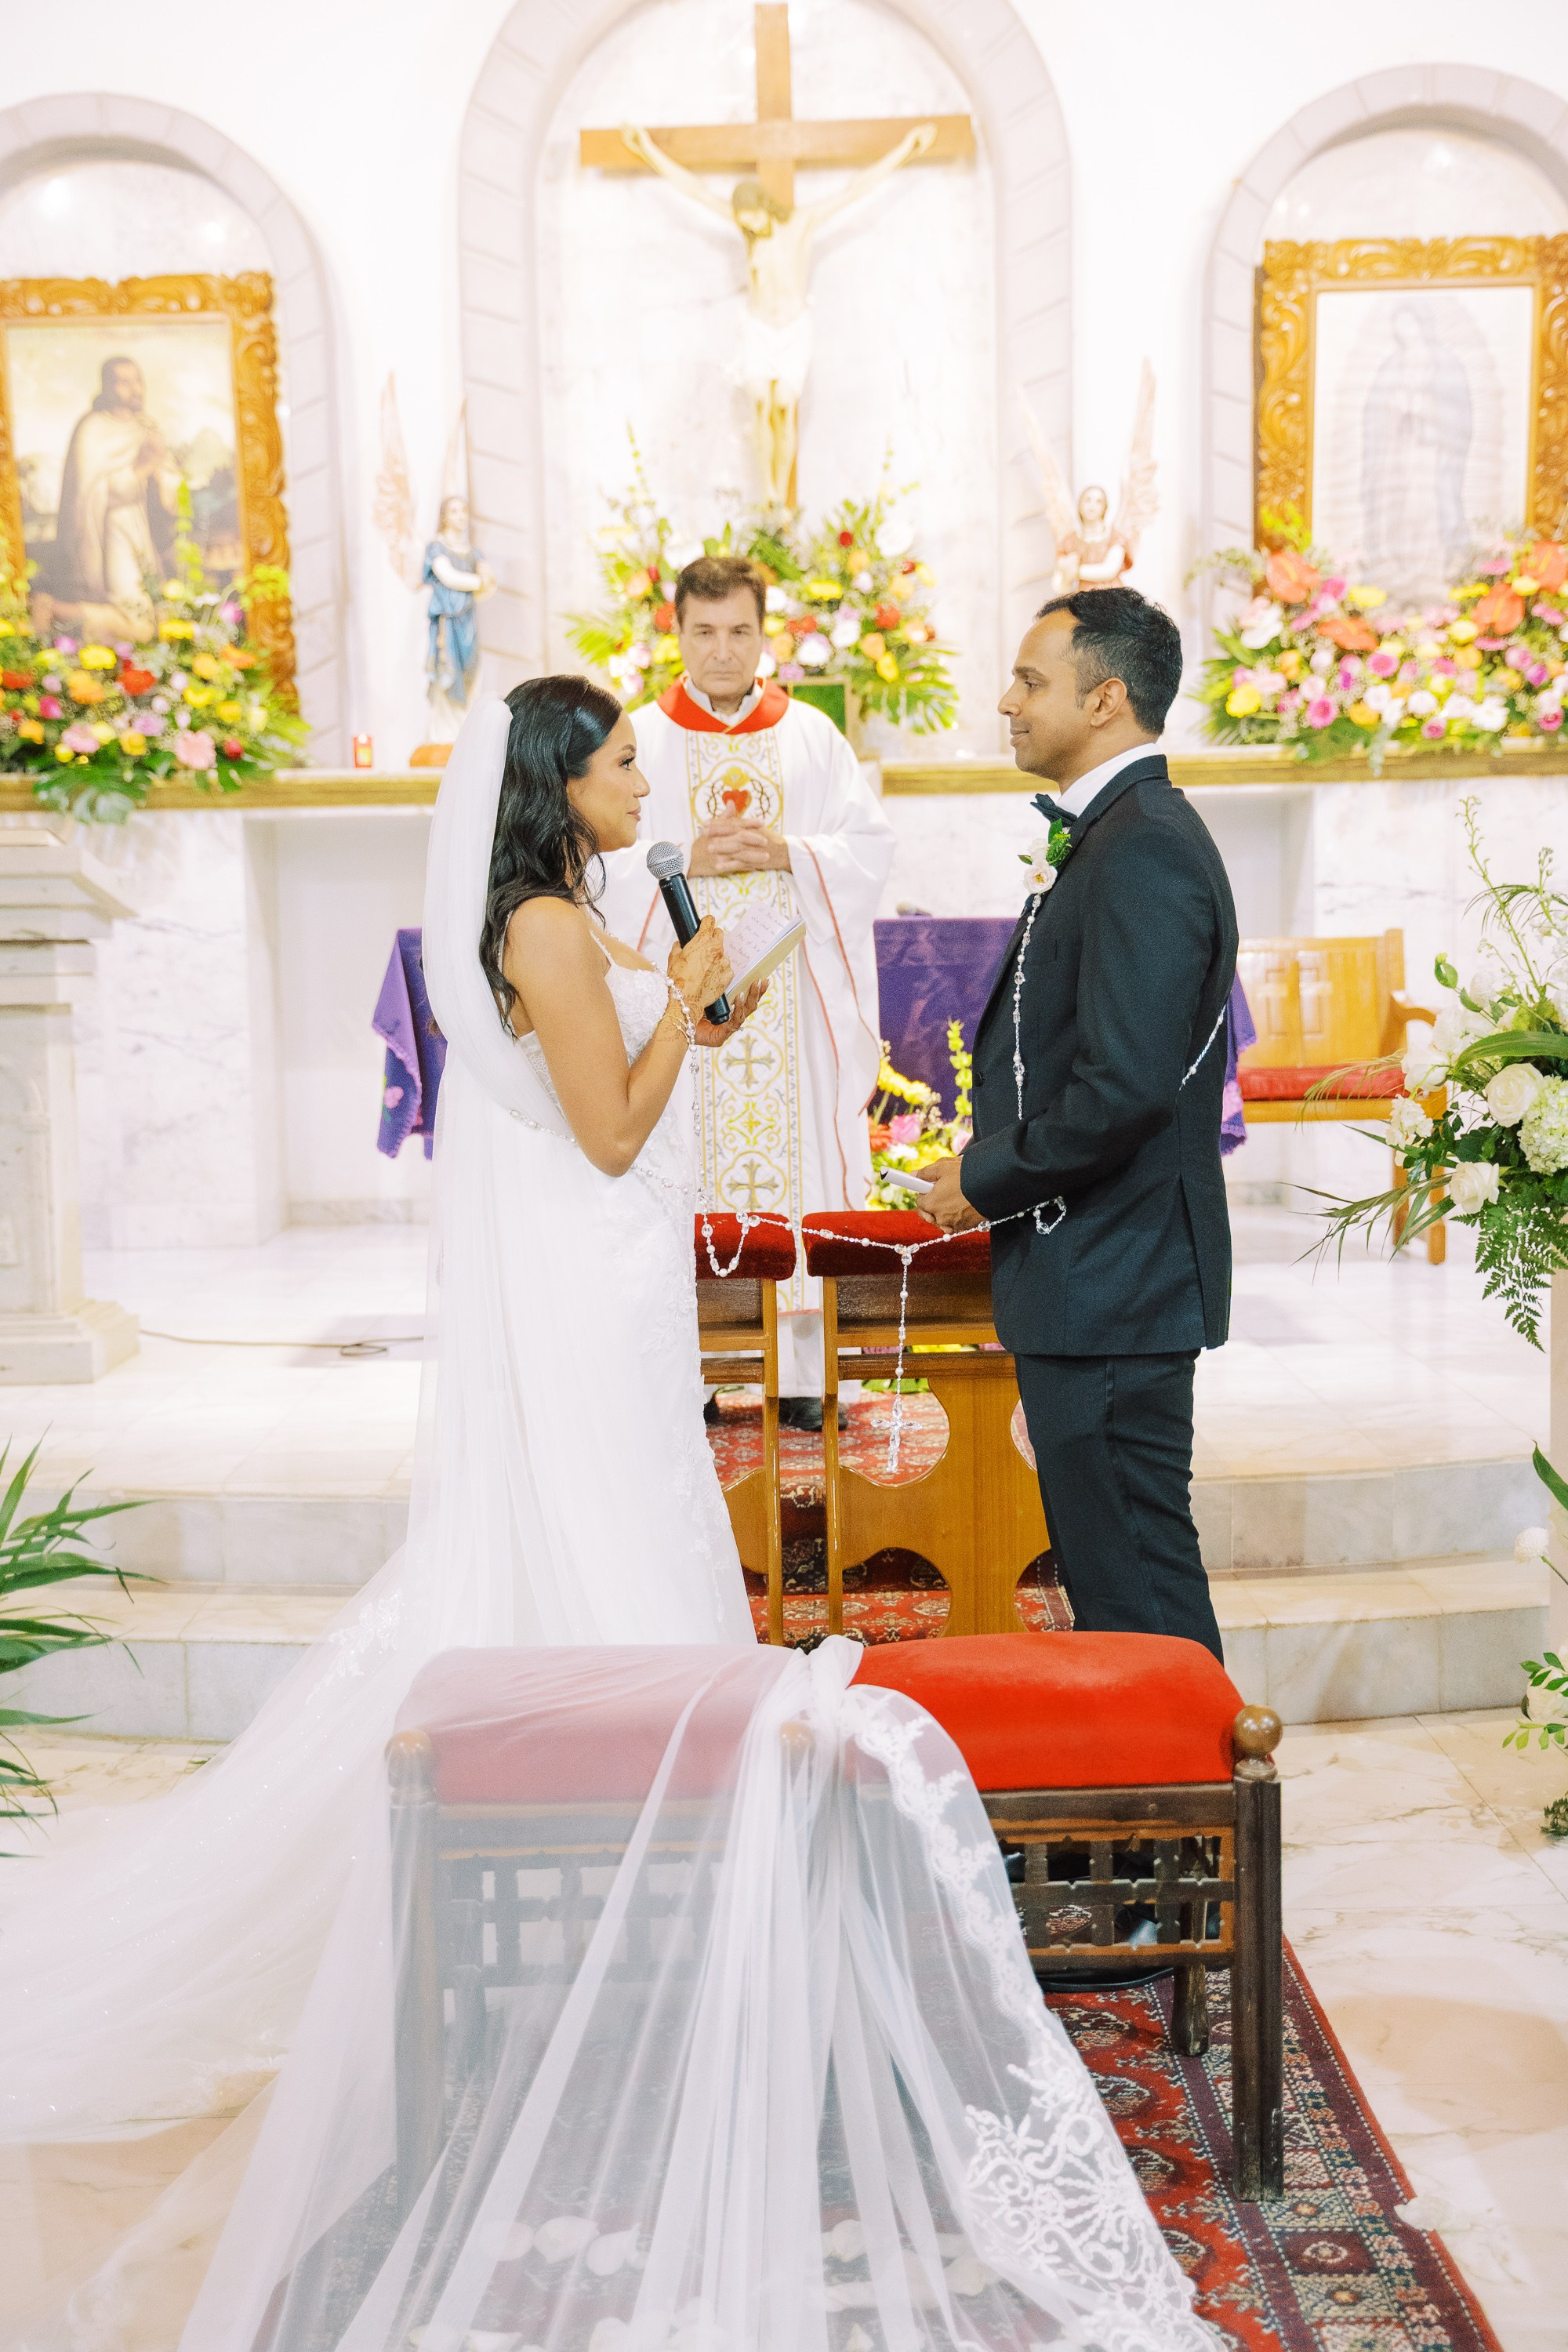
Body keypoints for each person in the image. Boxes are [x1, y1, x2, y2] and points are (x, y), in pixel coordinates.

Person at [0, 678, 765, 2155]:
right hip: (589, 1274)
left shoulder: (576, 911)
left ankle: (627, 1894)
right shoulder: (544, 928)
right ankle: (625, 1890)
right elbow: (610, 1136)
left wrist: (688, 1008)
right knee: (609, 1529)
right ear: (554, 783)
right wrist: (676, 1004)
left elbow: (618, 1094)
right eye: (621, 762)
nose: (643, 784)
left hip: (612, 1275)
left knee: (631, 1514)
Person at [919, 588, 1236, 1661]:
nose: (1007, 702)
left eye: (1031, 680)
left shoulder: (1142, 845)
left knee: (1136, 1575)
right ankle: (1170, 1814)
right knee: (1115, 1573)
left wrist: (989, 1176)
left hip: (1118, 1276)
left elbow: (1126, 1087)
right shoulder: (1113, 832)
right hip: (1098, 1273)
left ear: (1104, 699)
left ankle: (1192, 1817)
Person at [598, 554, 893, 1431]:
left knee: (796, 1171)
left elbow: (869, 849)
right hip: (670, 1010)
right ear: (676, 630)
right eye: (703, 632)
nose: (722, 652)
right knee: (676, 1171)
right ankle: (683, 1375)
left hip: (786, 1008)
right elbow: (583, 866)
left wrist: (789, 854)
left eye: (739, 632)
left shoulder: (810, 738)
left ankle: (802, 1376)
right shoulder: (635, 742)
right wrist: (685, 856)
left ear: (765, 635)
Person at [31, 354, 181, 643]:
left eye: (138, 380)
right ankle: (54, 610)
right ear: (108, 387)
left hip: (141, 529)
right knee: (138, 621)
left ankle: (58, 612)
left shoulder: (146, 427)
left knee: (154, 613)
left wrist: (162, 477)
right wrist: (145, 468)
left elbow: (170, 482)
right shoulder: (93, 429)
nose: (135, 388)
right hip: (108, 532)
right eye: (125, 382)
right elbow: (93, 492)